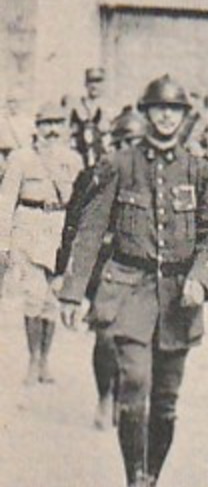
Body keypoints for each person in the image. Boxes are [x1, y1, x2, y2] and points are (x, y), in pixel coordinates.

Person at [57, 75, 208, 487]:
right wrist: (73, 293)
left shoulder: (198, 169)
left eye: (174, 110)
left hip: (179, 299)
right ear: (146, 113)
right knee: (135, 384)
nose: (166, 116)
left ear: (183, 116)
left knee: (168, 399)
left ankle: (153, 481)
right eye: (158, 109)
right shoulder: (118, 164)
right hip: (128, 290)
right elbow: (91, 230)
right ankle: (133, 482)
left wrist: (201, 280)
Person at [59, 107, 148, 428]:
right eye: (123, 142)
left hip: (143, 273)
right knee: (106, 338)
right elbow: (75, 228)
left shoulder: (155, 178)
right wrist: (68, 279)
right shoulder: (95, 175)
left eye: (136, 142)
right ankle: (105, 396)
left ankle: (129, 397)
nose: (129, 149)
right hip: (105, 268)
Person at [0, 102, 84, 384]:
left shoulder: (73, 160)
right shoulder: (22, 158)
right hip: (29, 225)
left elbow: (79, 203)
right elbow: (6, 201)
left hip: (58, 227)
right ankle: (33, 358)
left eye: (57, 124)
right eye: (46, 124)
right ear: (37, 127)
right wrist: (3, 243)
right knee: (34, 295)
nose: (51, 130)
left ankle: (45, 360)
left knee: (52, 298)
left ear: (65, 128)